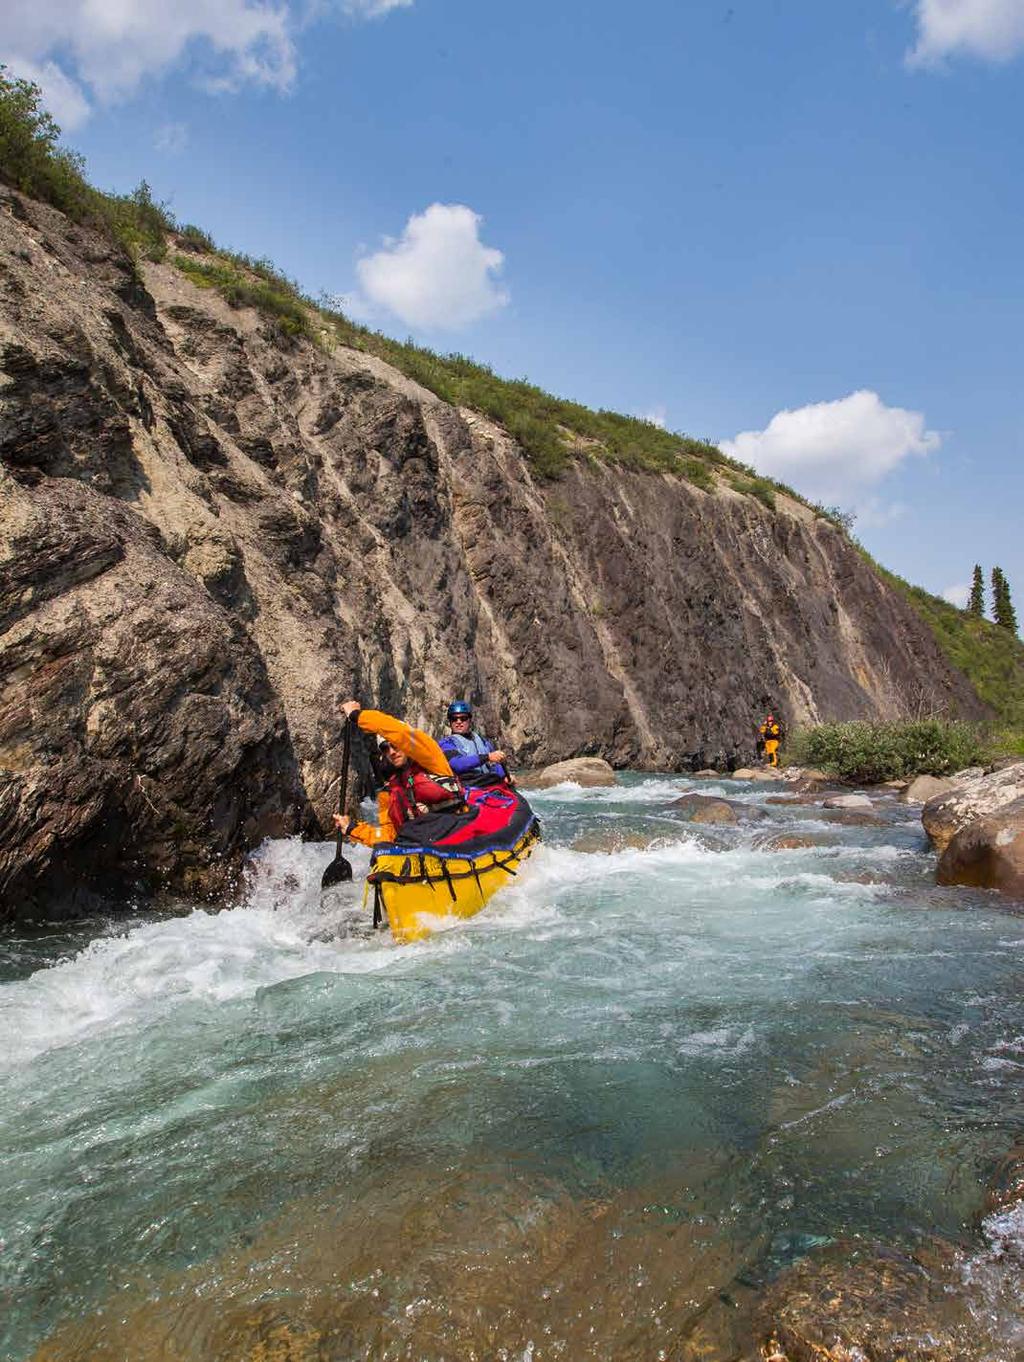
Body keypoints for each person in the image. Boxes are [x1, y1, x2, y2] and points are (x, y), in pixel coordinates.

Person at [333, 701, 464, 847]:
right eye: (385, 748)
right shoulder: (390, 790)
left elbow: (401, 733)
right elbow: (389, 835)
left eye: (395, 745)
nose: (392, 752)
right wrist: (353, 829)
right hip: (425, 851)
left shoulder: (432, 759)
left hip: (458, 840)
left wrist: (357, 716)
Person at [437, 699, 508, 782]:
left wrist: (504, 776)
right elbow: (457, 764)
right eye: (454, 719)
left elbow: (495, 764)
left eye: (463, 718)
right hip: (467, 786)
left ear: (469, 720)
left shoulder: (483, 742)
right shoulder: (447, 744)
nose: (459, 722)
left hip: (488, 783)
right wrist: (487, 757)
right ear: (450, 722)